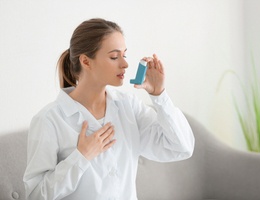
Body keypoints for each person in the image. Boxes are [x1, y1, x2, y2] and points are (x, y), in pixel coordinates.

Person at [23, 18, 195, 200]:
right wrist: (81, 157)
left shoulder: (129, 106)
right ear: (86, 62)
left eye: (124, 55)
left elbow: (181, 148)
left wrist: (159, 95)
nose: (125, 64)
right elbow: (35, 195)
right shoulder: (49, 120)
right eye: (114, 57)